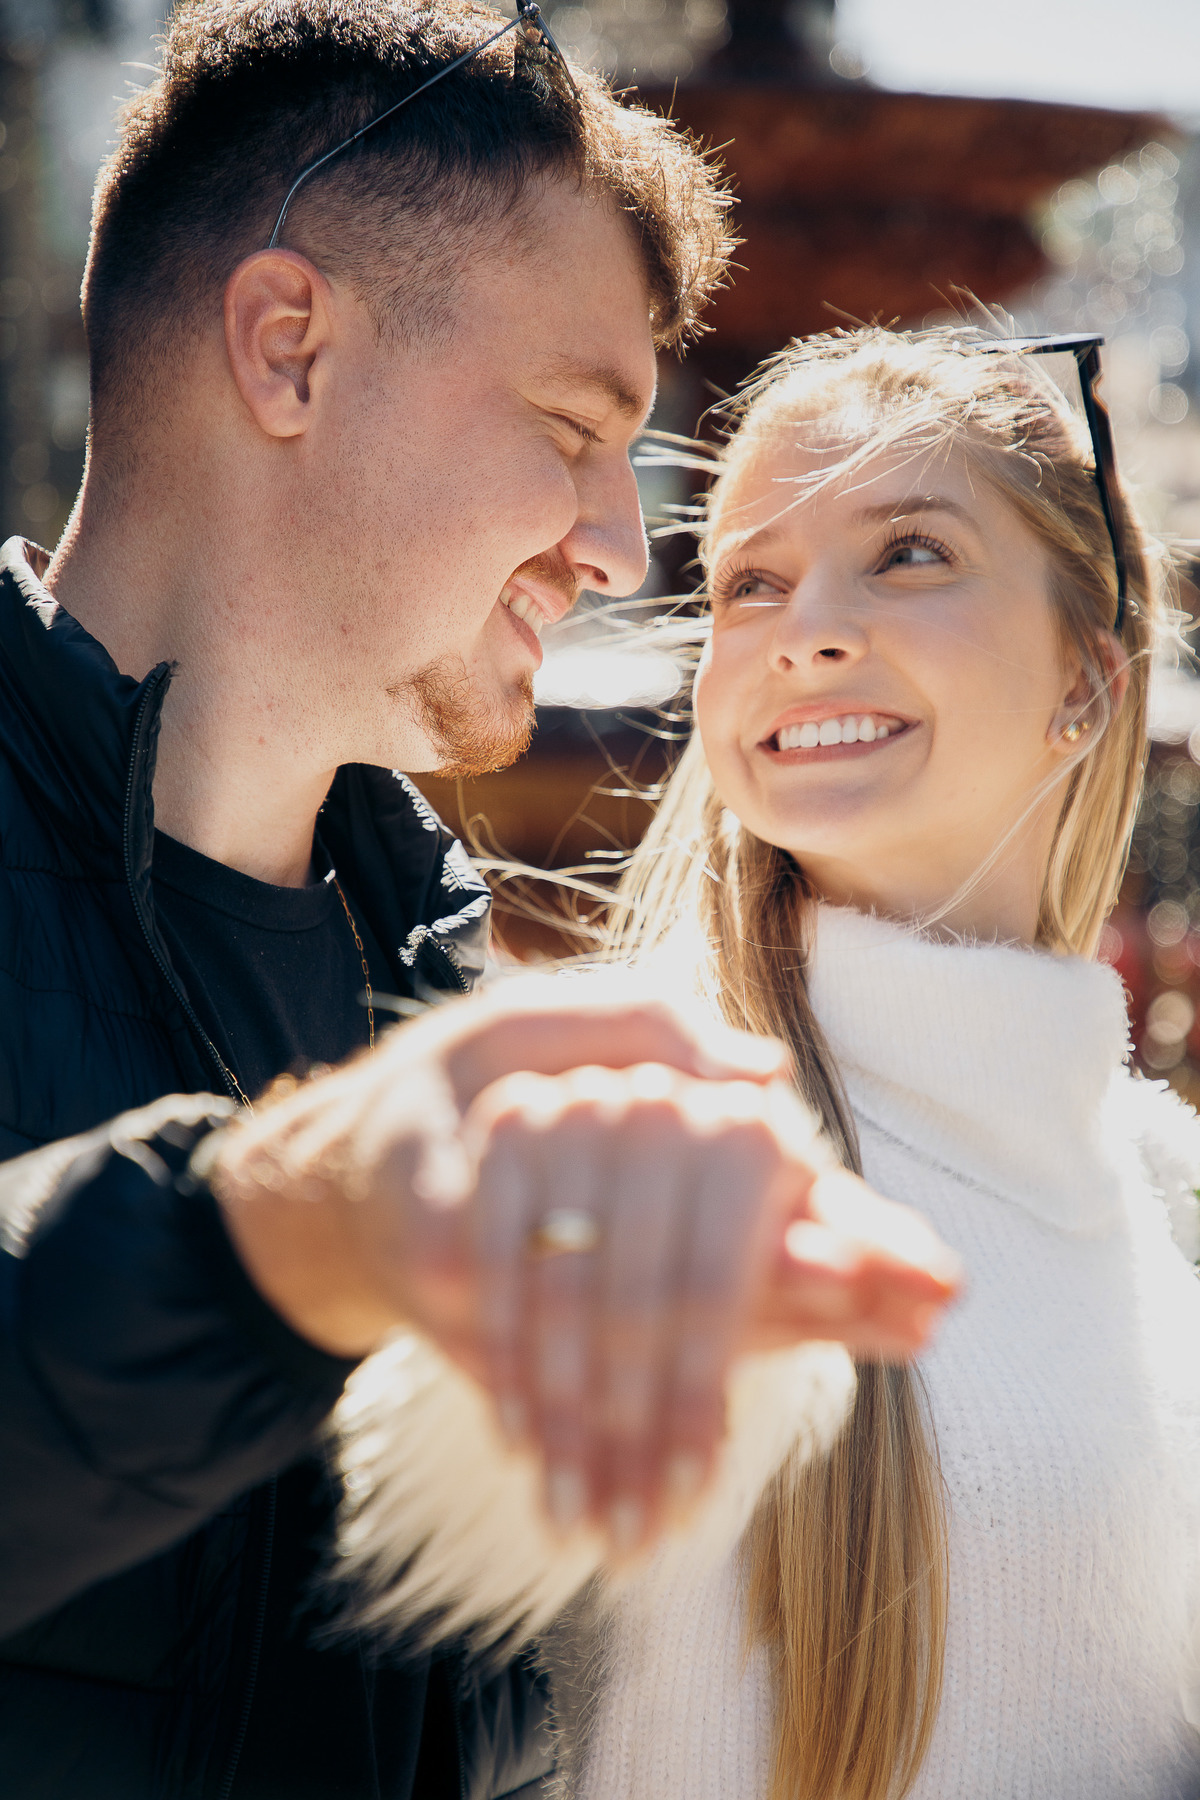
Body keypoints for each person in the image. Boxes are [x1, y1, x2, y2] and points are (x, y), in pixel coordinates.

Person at [0, 7, 960, 1798]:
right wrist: (285, 1239)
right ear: (289, 349)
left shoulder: (446, 969)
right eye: (569, 425)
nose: (621, 545)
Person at [457, 324, 1200, 1800]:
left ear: (1088, 678)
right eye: (749, 582)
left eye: (910, 551)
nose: (806, 630)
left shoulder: (1169, 1192)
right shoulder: (600, 1146)